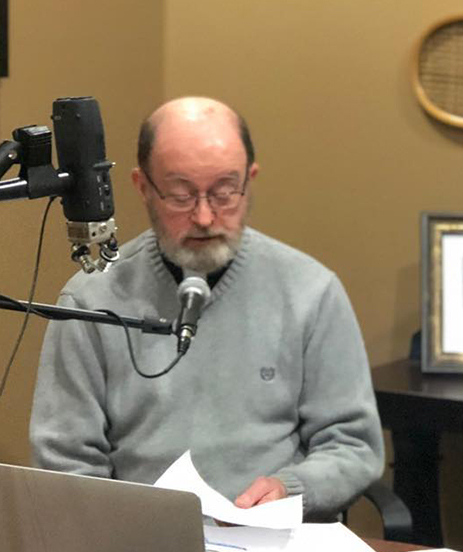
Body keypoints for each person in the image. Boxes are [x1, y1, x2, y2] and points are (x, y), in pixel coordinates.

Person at [29, 97, 384, 520]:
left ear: (250, 180)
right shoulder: (91, 300)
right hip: (143, 543)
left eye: (224, 192)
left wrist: (292, 488)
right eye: (180, 195)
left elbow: (353, 445)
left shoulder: (310, 290)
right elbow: (66, 460)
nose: (204, 216)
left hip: (275, 543)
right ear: (142, 187)